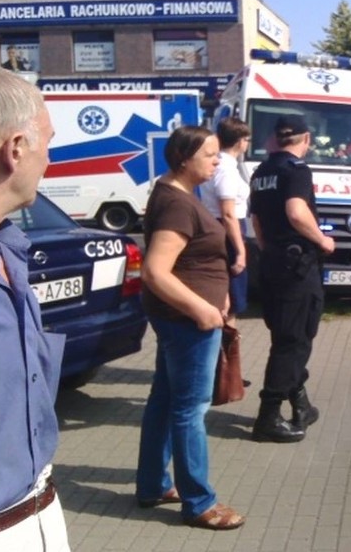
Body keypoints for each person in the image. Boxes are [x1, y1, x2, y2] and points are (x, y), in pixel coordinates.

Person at [136, 126, 245, 530]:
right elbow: (155, 270)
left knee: (165, 401)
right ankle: (199, 502)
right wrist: (202, 308)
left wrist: (219, 293)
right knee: (189, 410)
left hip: (180, 318)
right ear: (184, 159)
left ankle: (153, 485)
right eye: (211, 155)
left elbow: (192, 260)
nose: (218, 162)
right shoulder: (177, 204)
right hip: (187, 322)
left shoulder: (177, 194)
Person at [0, 65, 70, 550]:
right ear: (15, 149)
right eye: (48, 142)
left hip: (39, 513)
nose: (50, 159)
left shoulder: (9, 253)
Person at [249, 114, 335, 443]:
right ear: (306, 139)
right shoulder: (295, 170)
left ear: (276, 138)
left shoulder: (262, 172)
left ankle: (301, 405)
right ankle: (268, 416)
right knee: (293, 341)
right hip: (296, 267)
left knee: (286, 336)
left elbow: (256, 222)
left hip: (271, 263)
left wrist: (271, 249)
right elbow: (297, 212)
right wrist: (323, 240)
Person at [200, 117, 252, 329]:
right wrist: (240, 251)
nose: (247, 144)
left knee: (228, 298)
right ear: (240, 141)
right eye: (247, 139)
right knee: (231, 300)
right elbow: (228, 213)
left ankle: (225, 354)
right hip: (228, 230)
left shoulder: (221, 165)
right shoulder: (226, 169)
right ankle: (227, 356)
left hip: (220, 227)